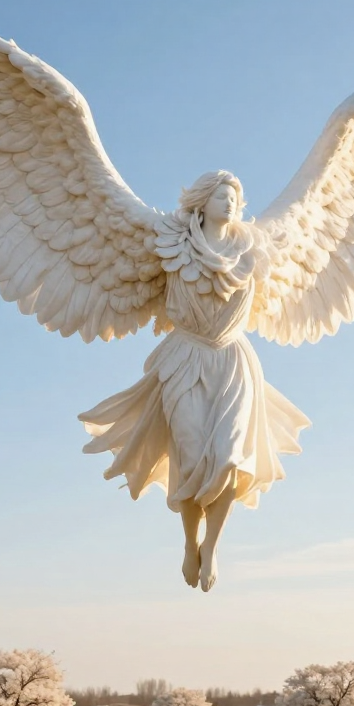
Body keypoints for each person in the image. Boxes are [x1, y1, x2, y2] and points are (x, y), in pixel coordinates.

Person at [80, 171, 310, 590]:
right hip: (184, 357)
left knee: (228, 457)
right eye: (222, 196)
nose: (231, 204)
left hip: (233, 362)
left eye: (236, 198)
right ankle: (190, 542)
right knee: (189, 451)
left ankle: (214, 546)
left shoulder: (255, 247)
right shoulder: (165, 242)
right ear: (202, 202)